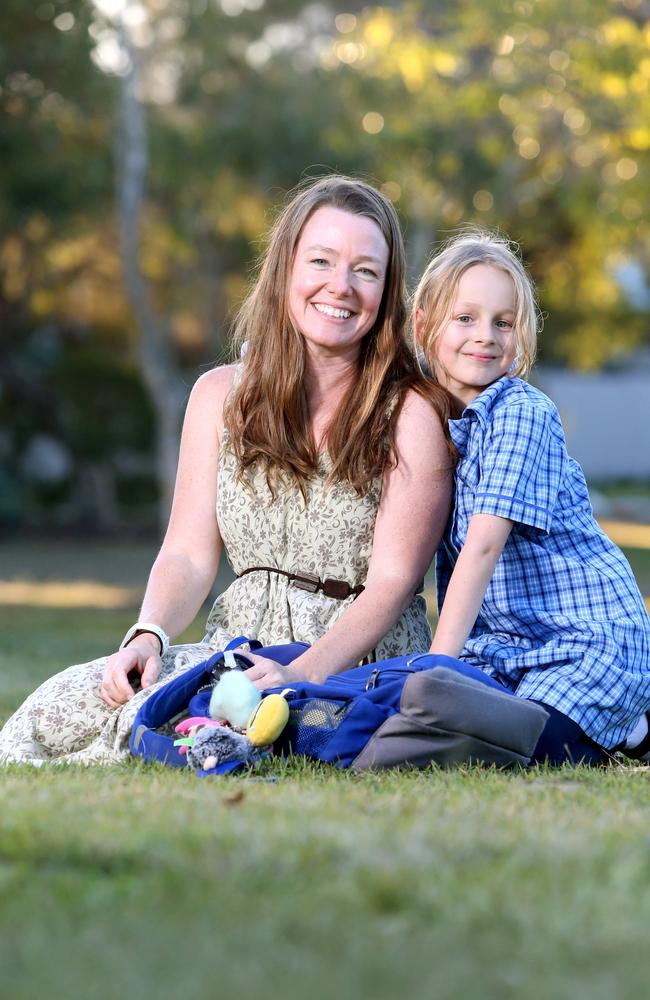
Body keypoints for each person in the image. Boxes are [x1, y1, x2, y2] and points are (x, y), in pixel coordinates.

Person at [0, 175, 453, 765]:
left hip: (353, 663)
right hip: (235, 649)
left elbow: (393, 583)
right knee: (54, 711)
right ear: (285, 268)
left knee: (196, 735)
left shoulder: (410, 411)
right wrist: (150, 634)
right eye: (321, 260)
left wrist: (299, 672)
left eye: (365, 270)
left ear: (387, 288)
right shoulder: (218, 395)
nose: (340, 287)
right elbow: (188, 553)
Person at [413, 230, 650, 765]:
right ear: (426, 326)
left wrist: (437, 668)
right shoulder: (432, 420)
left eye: (503, 322)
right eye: (465, 318)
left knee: (515, 750)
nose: (486, 336)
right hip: (507, 650)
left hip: (587, 642)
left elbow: (481, 549)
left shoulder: (521, 412)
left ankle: (634, 729)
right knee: (459, 738)